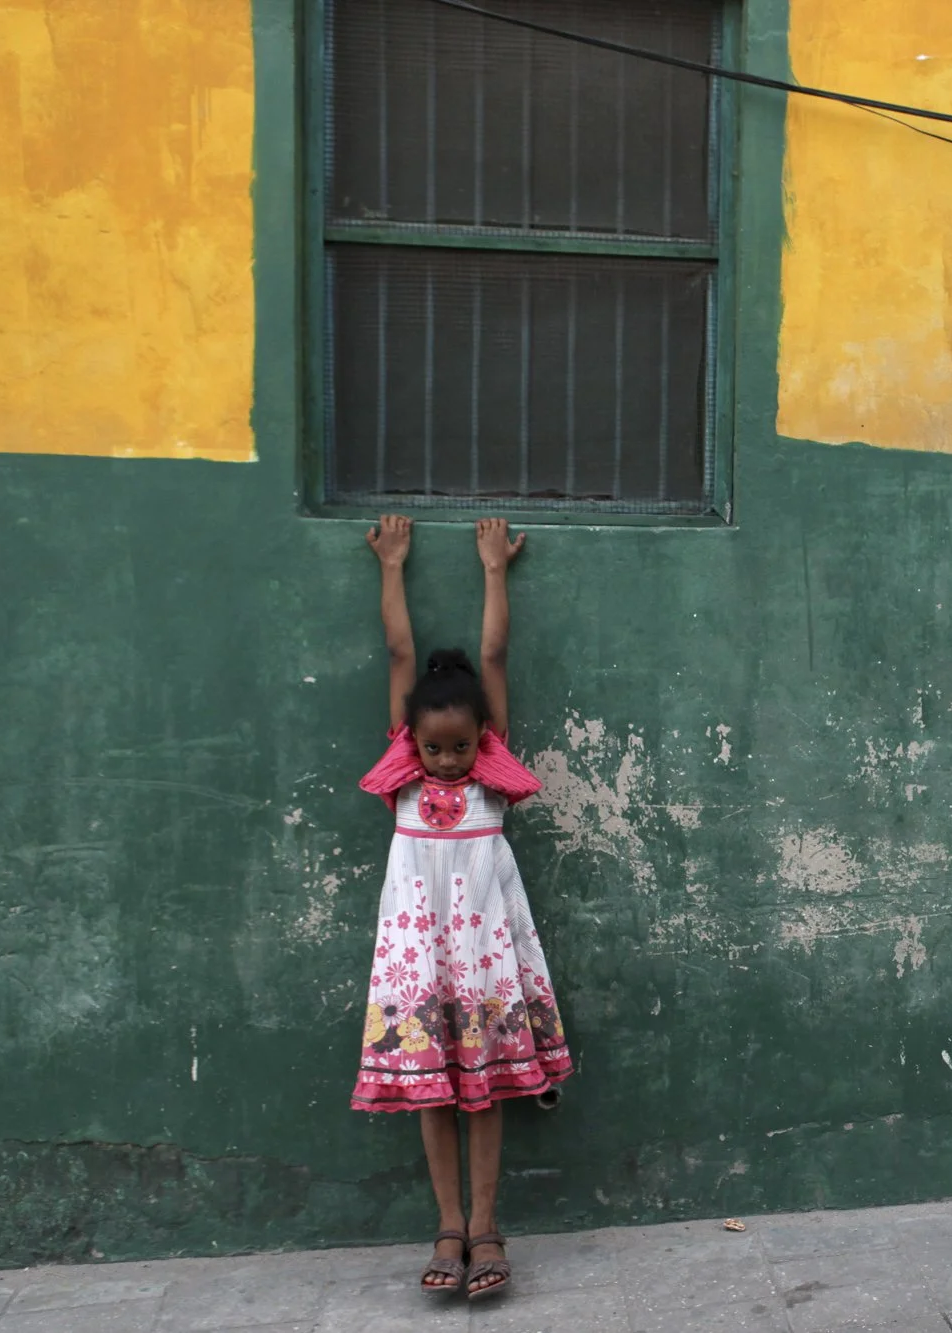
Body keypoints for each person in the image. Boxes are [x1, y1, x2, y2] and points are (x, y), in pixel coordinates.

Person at [352, 515, 571, 1301]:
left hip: (480, 956)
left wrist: (493, 572)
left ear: (485, 736)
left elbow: (494, 655)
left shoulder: (492, 770)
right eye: (434, 746)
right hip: (417, 959)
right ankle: (447, 1222)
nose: (447, 758)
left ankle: (486, 1226)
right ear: (412, 741)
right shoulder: (401, 776)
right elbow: (401, 654)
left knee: (483, 1092)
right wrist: (392, 566)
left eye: (461, 745)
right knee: (431, 1090)